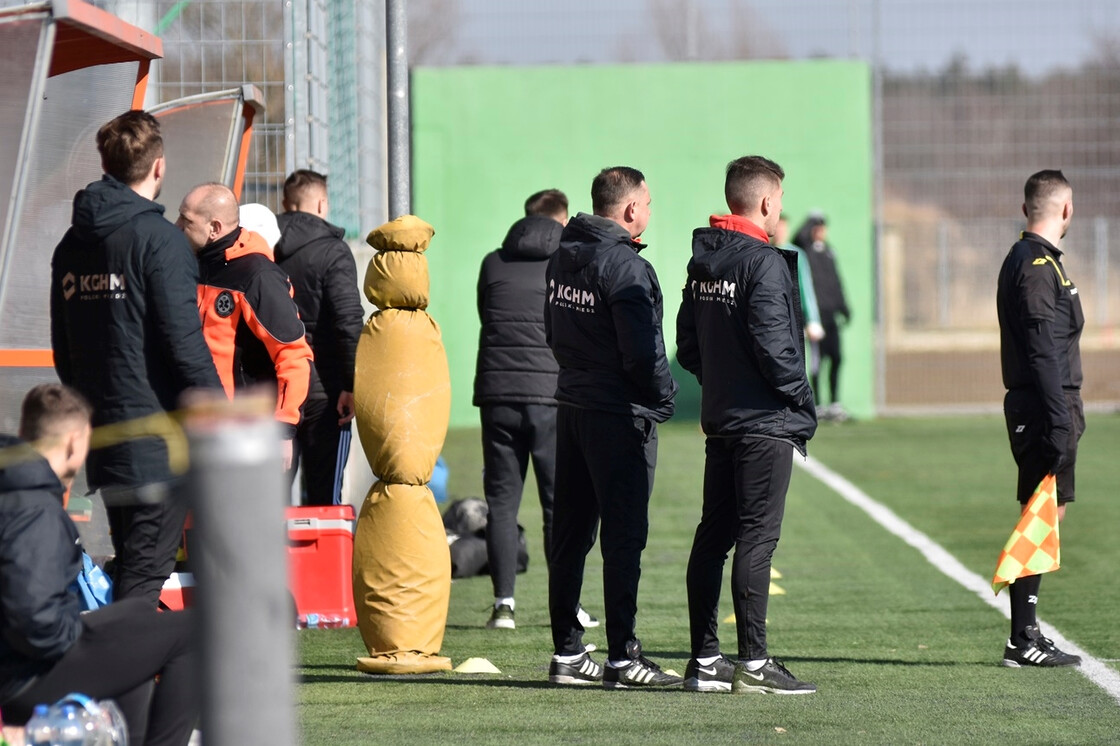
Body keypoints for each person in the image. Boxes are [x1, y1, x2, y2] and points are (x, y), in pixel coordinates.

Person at [50, 110, 222, 606]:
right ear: (159, 168)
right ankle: (123, 681)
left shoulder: (71, 244)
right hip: (157, 443)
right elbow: (185, 346)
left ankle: (121, 676)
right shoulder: (161, 241)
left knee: (134, 566)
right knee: (144, 581)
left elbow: (66, 351)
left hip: (105, 436)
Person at [676, 156, 818, 694]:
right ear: (764, 202)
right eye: (779, 200)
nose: (781, 210)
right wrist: (803, 400)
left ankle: (704, 662)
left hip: (724, 422)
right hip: (763, 422)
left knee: (713, 537)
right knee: (756, 539)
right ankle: (754, 665)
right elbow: (778, 351)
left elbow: (688, 345)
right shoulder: (763, 263)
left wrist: (723, 382)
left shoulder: (703, 261)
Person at [0, 384, 198, 746]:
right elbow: (33, 620)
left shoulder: (16, 488)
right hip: (27, 674)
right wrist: (80, 631)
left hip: (18, 661)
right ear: (74, 441)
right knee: (197, 631)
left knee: (135, 621)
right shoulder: (34, 509)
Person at [544, 167, 679, 688]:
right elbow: (642, 352)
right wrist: (661, 397)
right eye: (646, 204)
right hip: (617, 416)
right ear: (629, 210)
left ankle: (567, 654)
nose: (648, 213)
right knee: (623, 538)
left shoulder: (562, 256)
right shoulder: (623, 266)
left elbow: (553, 331)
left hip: (572, 407)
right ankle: (623, 658)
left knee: (571, 534)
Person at [473, 189, 599, 631]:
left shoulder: (493, 262)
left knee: (501, 503)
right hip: (550, 396)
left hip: (497, 394)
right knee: (557, 506)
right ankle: (567, 606)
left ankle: (503, 605)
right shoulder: (568, 261)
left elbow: (487, 314)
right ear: (562, 221)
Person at [996, 169, 1084, 668]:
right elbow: (1043, 349)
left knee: (1049, 513)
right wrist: (1057, 420)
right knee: (1041, 513)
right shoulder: (1033, 265)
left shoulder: (1045, 262)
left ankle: (1026, 633)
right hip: (1044, 405)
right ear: (1066, 210)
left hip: (1054, 404)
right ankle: (1022, 638)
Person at [176, 183, 314, 471]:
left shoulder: (257, 277)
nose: (177, 226)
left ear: (214, 228)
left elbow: (293, 355)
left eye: (186, 220)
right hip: (193, 427)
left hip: (242, 434)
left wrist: (285, 427)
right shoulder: (190, 265)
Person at [275, 171, 363, 505]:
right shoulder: (333, 252)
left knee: (270, 501)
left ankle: (275, 560)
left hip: (276, 389)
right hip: (323, 392)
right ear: (323, 204)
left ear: (285, 204)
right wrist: (352, 384)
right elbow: (348, 321)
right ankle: (322, 559)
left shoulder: (262, 247)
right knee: (324, 500)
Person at [794, 212, 850, 421]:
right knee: (817, 362)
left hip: (831, 317)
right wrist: (810, 220)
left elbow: (837, 281)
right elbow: (797, 238)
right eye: (817, 227)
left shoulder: (829, 252)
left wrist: (844, 307)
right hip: (816, 319)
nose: (821, 231)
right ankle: (817, 405)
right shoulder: (806, 251)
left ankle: (835, 403)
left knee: (836, 358)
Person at [774, 214, 825, 351]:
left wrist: (813, 319)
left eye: (782, 228)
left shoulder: (797, 254)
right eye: (777, 227)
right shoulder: (765, 251)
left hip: (793, 317)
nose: (779, 231)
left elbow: (806, 287)